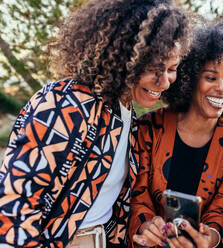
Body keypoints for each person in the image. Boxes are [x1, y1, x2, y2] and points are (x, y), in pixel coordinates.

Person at [0, 0, 191, 247]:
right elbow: (16, 203)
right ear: (125, 58)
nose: (165, 82)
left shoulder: (127, 114)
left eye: (172, 69)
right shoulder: (67, 102)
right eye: (155, 68)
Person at [128, 16, 223, 248]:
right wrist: (146, 225)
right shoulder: (148, 129)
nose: (221, 88)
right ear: (189, 77)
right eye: (211, 77)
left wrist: (211, 237)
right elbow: (138, 195)